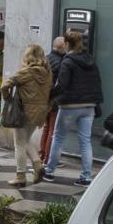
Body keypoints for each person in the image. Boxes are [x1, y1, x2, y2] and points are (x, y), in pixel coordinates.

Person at [43, 30, 103, 186]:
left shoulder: (67, 62)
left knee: (58, 138)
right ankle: (86, 176)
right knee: (85, 141)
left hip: (69, 105)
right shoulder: (91, 60)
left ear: (68, 44)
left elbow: (62, 85)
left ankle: (49, 171)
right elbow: (97, 82)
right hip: (89, 106)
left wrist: (48, 96)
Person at [1, 43, 54, 187]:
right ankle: (38, 165)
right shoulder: (48, 73)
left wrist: (7, 98)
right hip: (40, 112)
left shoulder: (26, 72)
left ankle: (20, 176)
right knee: (26, 141)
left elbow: (5, 85)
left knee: (19, 143)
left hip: (23, 111)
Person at [39, 35, 68, 164]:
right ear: (63, 47)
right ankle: (48, 158)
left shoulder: (46, 58)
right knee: (53, 129)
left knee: (46, 128)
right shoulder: (62, 62)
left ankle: (42, 155)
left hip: (44, 98)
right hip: (55, 100)